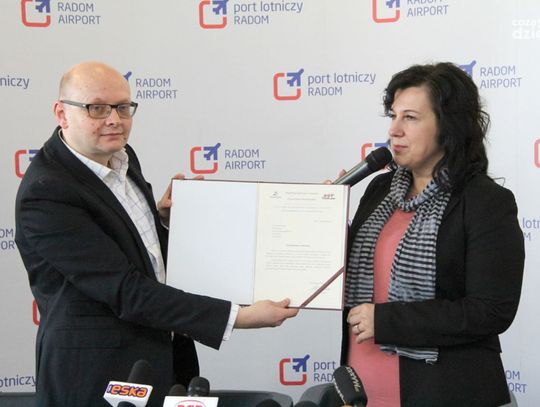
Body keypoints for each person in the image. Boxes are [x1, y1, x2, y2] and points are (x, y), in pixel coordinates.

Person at [15, 61, 298, 407]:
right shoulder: (47, 192)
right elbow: (126, 290)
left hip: (164, 361)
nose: (114, 119)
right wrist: (238, 316)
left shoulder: (121, 156)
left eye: (123, 107)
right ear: (62, 113)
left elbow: (140, 254)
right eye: (97, 108)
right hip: (98, 377)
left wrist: (161, 222)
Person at [340, 62, 524, 407]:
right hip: (362, 381)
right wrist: (324, 223)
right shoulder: (380, 190)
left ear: (448, 126)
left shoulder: (485, 202)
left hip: (444, 389)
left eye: (410, 118)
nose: (394, 130)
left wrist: (387, 321)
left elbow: (490, 311)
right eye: (393, 116)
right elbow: (351, 276)